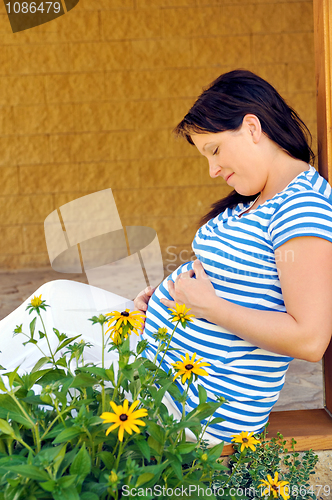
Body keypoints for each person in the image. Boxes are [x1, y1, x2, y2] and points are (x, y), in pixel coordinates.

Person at [1, 69, 332, 444]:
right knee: (52, 318)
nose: (212, 170)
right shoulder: (258, 200)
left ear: (252, 128)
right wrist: (164, 298)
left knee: (51, 322)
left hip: (199, 407)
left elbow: (310, 338)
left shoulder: (300, 205)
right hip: (167, 364)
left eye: (215, 150)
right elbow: (237, 280)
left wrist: (208, 308)